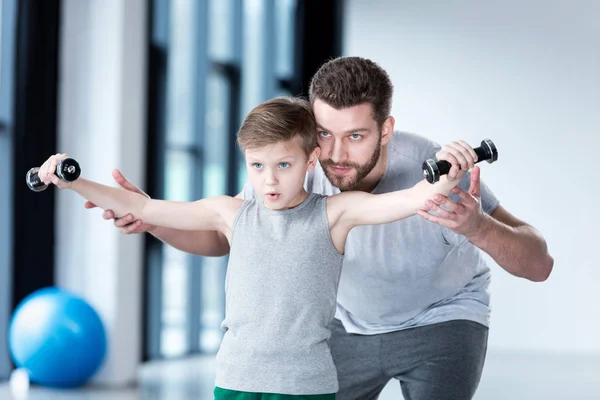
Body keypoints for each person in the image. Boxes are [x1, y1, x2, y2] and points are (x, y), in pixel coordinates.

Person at [90, 57, 554, 400]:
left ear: (386, 130)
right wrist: (151, 221)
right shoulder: (297, 166)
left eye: (355, 136)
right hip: (345, 326)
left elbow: (539, 264)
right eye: (324, 133)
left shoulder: (429, 167)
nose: (333, 154)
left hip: (441, 318)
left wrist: (476, 225)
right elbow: (222, 237)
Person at [39, 97, 469, 399]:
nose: (269, 180)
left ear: (310, 160)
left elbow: (412, 198)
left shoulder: (336, 212)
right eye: (257, 166)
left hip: (305, 385)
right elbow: (141, 205)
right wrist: (73, 181)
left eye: (283, 165)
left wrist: (448, 175)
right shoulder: (231, 213)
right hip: (236, 379)